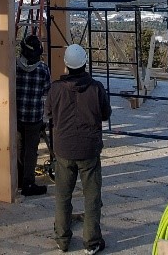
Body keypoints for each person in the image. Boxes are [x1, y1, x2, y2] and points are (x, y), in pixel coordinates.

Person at [47, 43, 111, 254]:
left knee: (63, 195)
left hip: (64, 148)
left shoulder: (55, 88)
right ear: (85, 63)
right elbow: (105, 113)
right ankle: (91, 242)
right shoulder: (96, 88)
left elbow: (48, 113)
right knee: (92, 196)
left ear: (66, 65)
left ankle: (62, 239)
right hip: (89, 150)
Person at [15, 34, 51, 197]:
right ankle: (28, 183)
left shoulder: (14, 66)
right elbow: (46, 91)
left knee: (19, 147)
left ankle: (18, 178)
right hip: (34, 116)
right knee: (31, 150)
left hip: (16, 115)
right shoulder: (42, 69)